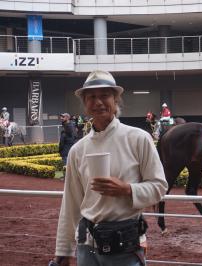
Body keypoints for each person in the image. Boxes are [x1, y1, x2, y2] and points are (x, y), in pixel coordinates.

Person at [49, 70, 168, 266]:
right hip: (86, 248)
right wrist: (63, 251)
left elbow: (159, 187)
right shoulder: (78, 150)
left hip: (126, 248)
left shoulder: (138, 139)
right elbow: (70, 204)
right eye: (91, 97)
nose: (98, 102)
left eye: (104, 95)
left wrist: (127, 189)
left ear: (116, 100)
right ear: (85, 104)